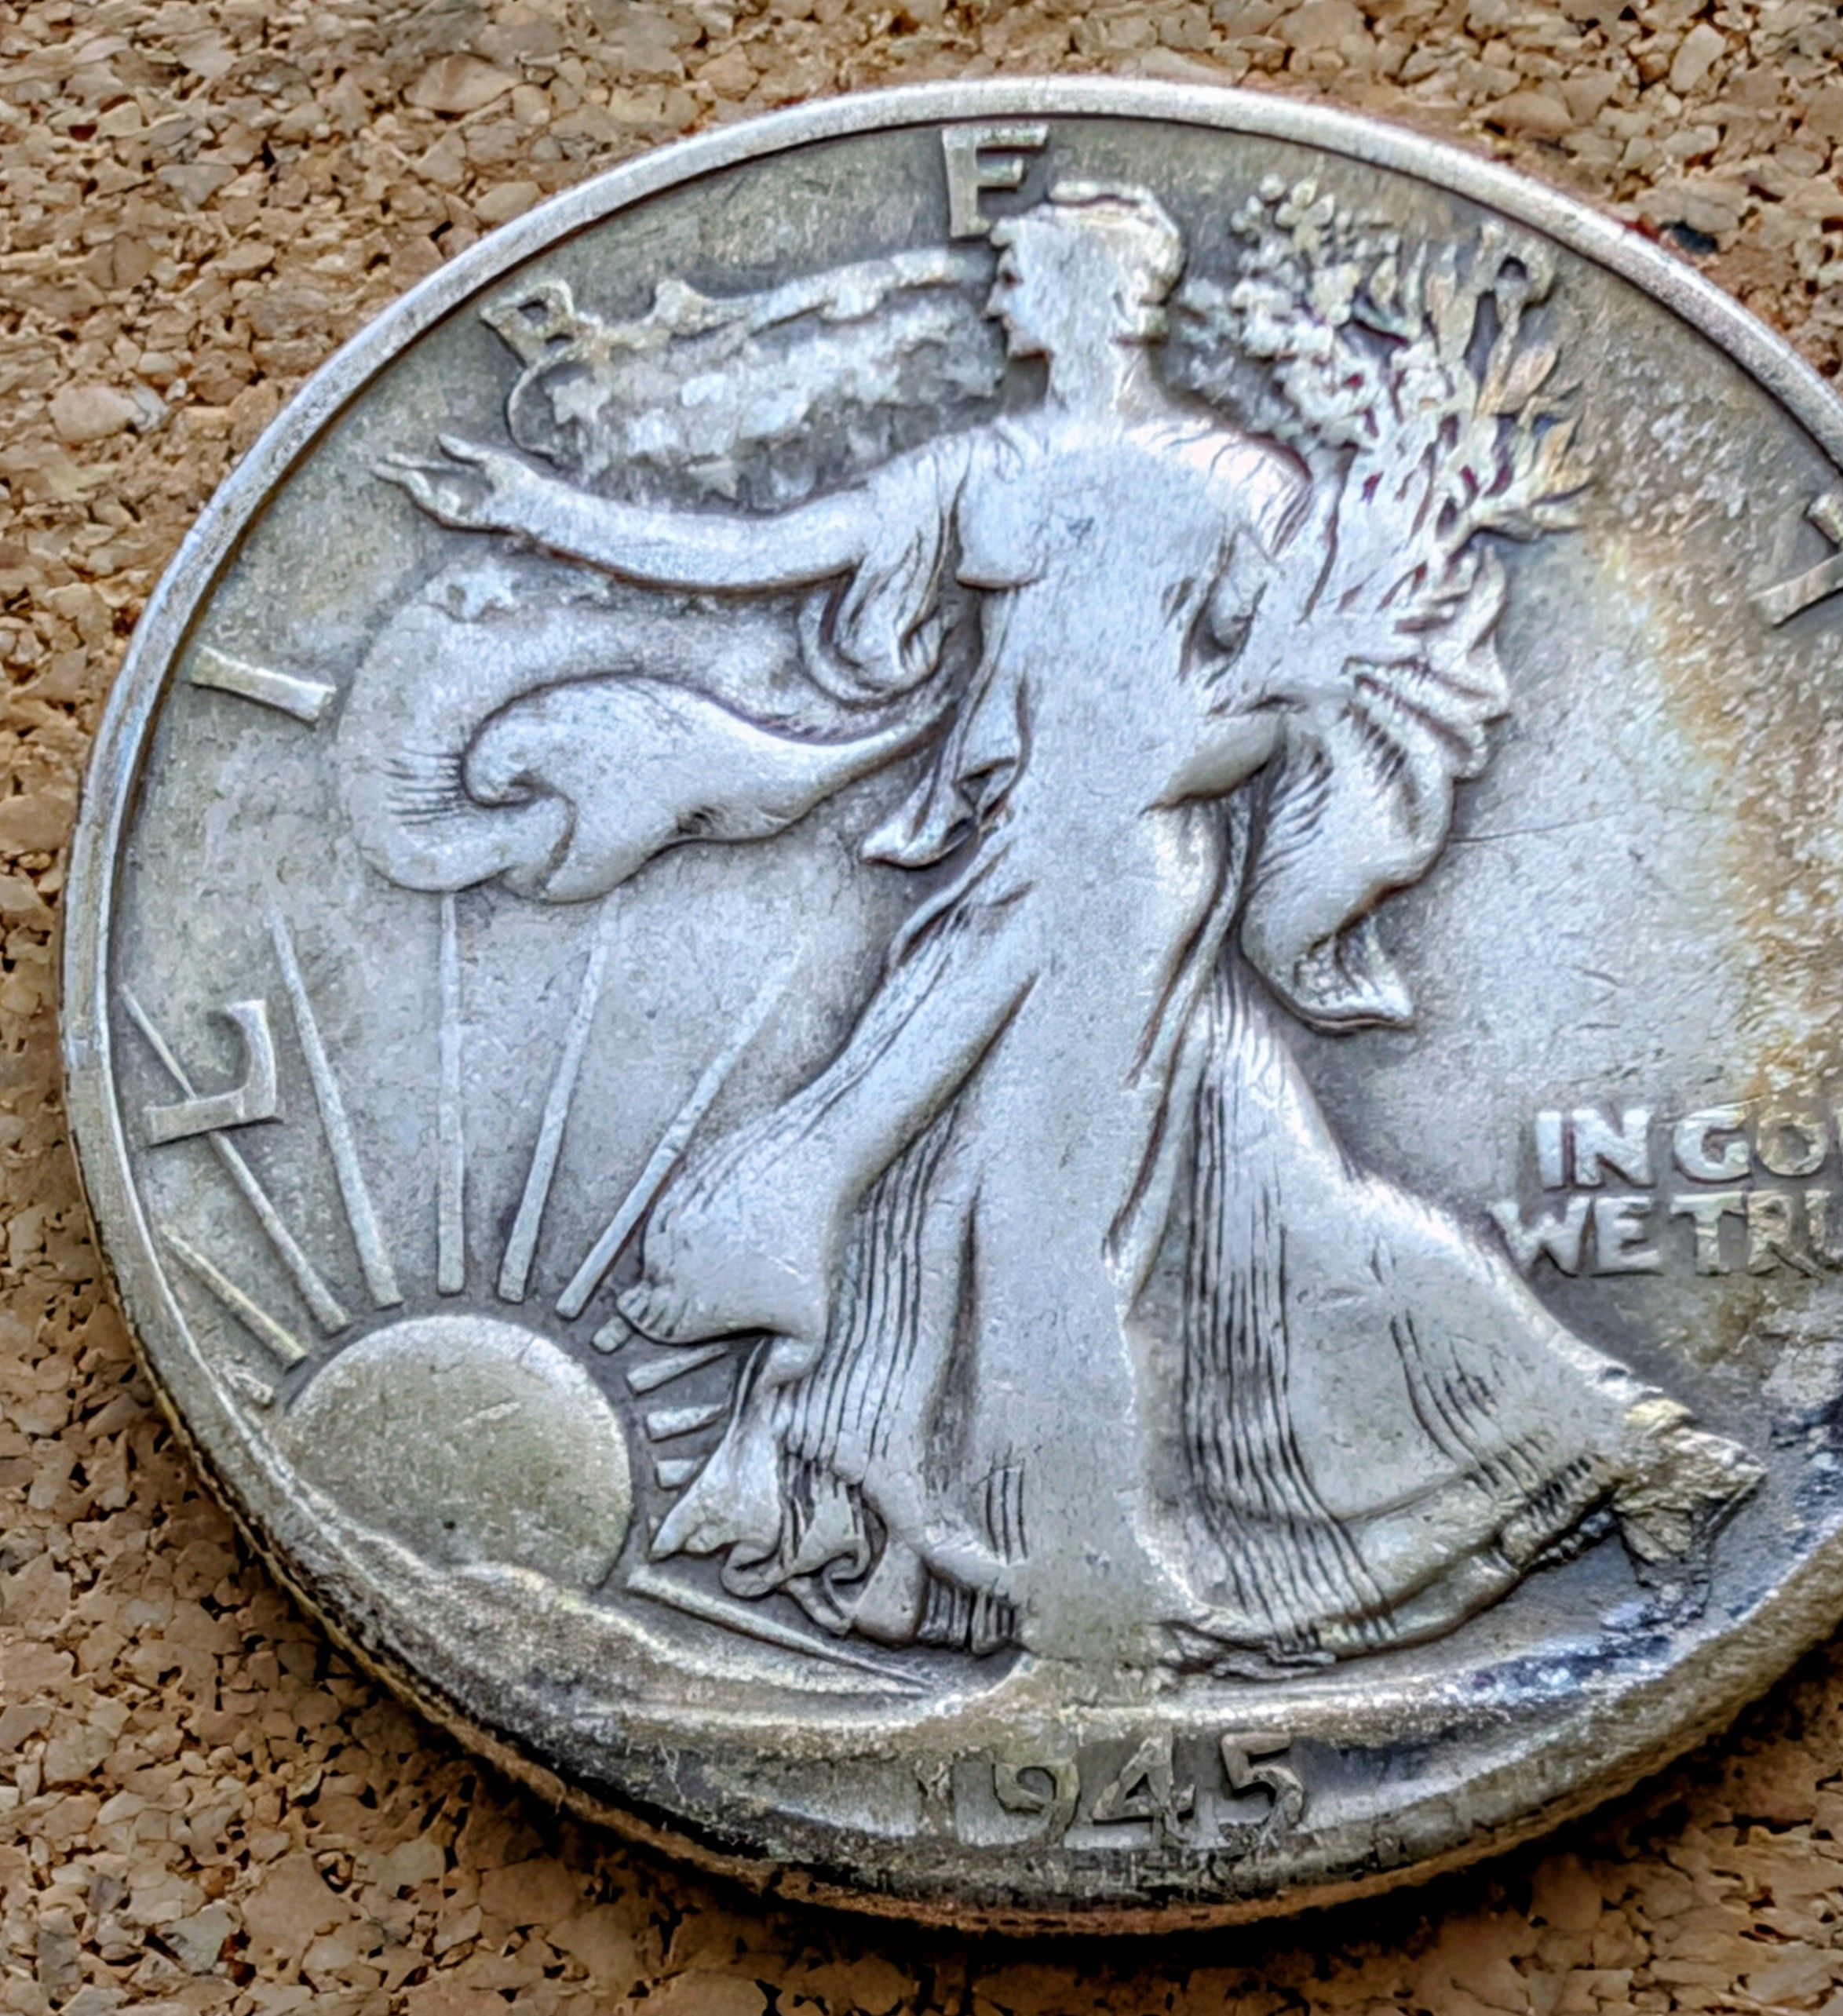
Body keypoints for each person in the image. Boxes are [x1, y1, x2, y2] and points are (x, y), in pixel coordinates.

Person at [379, 183, 1761, 1672]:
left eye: (1029, 276)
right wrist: (539, 512)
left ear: (1107, 294)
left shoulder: (1236, 483)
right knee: (1264, 1203)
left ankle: (1096, 1608)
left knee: (1040, 1230)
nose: (1004, 300)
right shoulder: (984, 468)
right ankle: (1624, 1452)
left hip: (1128, 880)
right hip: (1017, 861)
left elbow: (1300, 690)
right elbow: (770, 552)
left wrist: (1180, 760)